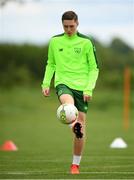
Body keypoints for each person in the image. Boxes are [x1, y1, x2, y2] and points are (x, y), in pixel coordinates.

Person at [42, 11, 99, 174]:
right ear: (62, 25)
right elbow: (50, 64)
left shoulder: (86, 42)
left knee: (81, 128)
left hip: (82, 87)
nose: (68, 29)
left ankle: (75, 165)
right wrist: (46, 83)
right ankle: (73, 123)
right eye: (65, 26)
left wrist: (89, 88)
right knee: (68, 106)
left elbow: (94, 68)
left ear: (77, 24)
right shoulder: (54, 41)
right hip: (63, 83)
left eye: (71, 26)